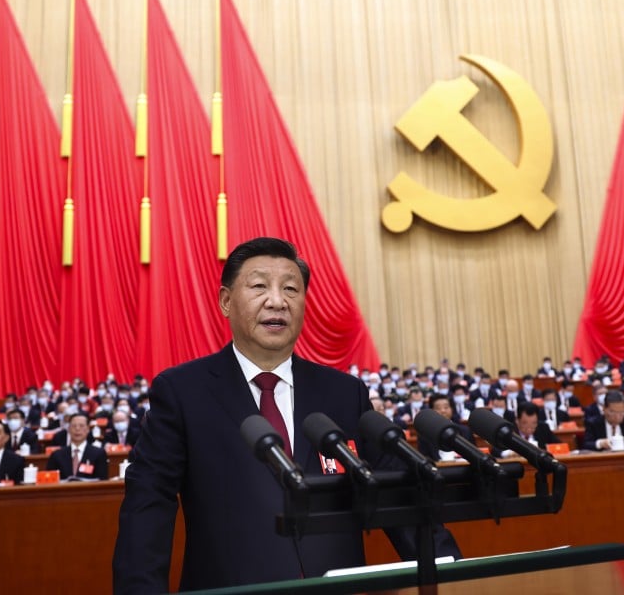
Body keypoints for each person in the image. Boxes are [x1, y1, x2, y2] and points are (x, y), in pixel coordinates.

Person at [113, 237, 456, 592]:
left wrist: (453, 574)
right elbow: (148, 508)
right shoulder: (183, 392)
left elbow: (399, 497)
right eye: (259, 286)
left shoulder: (343, 394)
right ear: (226, 301)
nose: (277, 301)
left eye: (291, 289)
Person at [47, 413, 108, 480]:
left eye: (81, 426)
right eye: (74, 426)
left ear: (88, 429)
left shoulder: (98, 454)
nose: (77, 429)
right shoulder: (57, 455)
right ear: (69, 429)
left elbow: (102, 480)